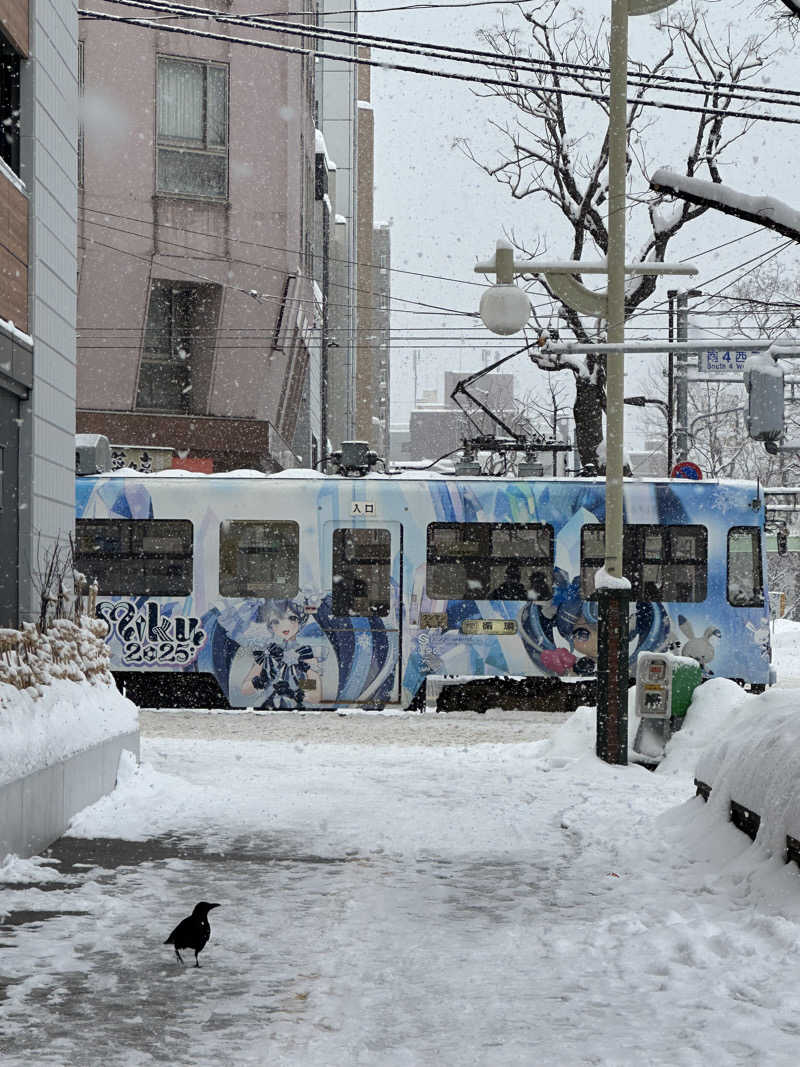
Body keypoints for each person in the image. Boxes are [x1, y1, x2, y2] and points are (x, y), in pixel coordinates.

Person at [242, 598, 321, 708]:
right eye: (276, 621)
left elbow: (315, 695)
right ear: (270, 626)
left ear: (300, 621)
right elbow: (245, 689)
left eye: (292, 618)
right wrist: (259, 681)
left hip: (295, 710)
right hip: (265, 707)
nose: (284, 625)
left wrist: (294, 692)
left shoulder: (304, 653)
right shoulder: (268, 652)